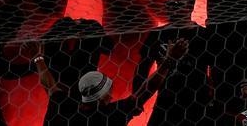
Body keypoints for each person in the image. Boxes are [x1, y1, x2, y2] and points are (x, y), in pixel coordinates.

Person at [23, 37, 188, 126]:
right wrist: (168, 62)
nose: (112, 96)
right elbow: (147, 89)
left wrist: (37, 57)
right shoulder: (111, 116)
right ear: (102, 98)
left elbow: (49, 83)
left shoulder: (63, 105)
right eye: (110, 91)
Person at [133, 0, 211, 126]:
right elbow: (142, 68)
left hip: (198, 105)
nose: (171, 7)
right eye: (169, 3)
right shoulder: (157, 34)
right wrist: (136, 99)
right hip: (166, 101)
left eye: (177, 3)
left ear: (190, 7)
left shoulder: (203, 35)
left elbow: (216, 70)